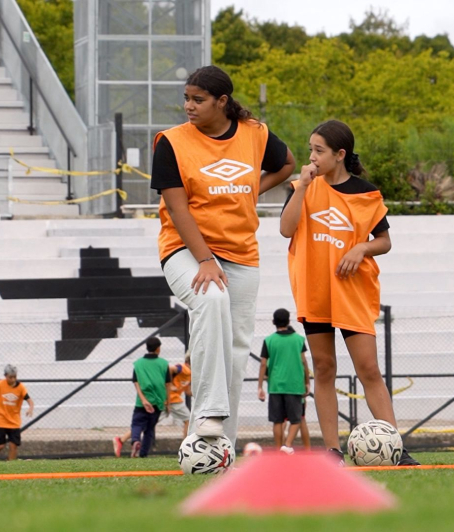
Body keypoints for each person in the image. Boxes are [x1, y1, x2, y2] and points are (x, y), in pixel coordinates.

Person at [150, 65, 296, 445]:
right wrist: (204, 260)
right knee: (211, 299)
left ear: (222, 102)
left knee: (235, 351)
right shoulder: (171, 142)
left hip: (241, 252)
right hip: (186, 249)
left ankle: (220, 450)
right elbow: (178, 210)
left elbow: (287, 165)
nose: (189, 106)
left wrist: (251, 190)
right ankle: (210, 412)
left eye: (198, 100)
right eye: (186, 98)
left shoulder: (254, 133)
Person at [280, 119, 419, 466]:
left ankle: (393, 448)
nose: (311, 157)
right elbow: (285, 229)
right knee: (324, 369)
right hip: (315, 292)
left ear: (340, 155)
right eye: (310, 149)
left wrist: (361, 249)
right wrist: (301, 188)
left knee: (369, 370)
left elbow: (384, 241)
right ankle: (332, 452)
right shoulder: (303, 187)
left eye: (319, 151)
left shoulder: (366, 192)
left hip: (353, 293)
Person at [114, 354, 191, 457]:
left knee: (146, 424)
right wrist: (169, 384)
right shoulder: (184, 368)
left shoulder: (190, 375)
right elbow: (169, 369)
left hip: (174, 400)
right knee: (188, 420)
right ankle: (185, 448)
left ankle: (121, 440)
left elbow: (188, 392)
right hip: (169, 400)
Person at [257, 309, 310, 453]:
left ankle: (279, 449)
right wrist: (307, 382)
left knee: (278, 421)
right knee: (296, 419)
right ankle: (287, 446)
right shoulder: (299, 340)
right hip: (295, 385)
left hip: (275, 386)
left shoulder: (269, 340)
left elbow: (263, 364)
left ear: (273, 322)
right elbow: (304, 362)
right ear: (289, 321)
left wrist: (260, 386)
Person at [128, 337, 171, 458]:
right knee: (149, 430)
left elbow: (136, 382)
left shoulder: (138, 364)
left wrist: (143, 399)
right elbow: (168, 384)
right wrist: (168, 402)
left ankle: (135, 440)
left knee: (137, 424)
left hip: (142, 402)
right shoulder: (164, 363)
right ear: (158, 349)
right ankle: (143, 454)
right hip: (158, 401)